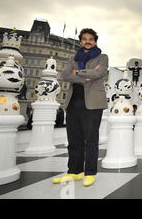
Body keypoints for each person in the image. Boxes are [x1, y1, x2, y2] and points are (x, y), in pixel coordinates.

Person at [53, 28, 108, 187]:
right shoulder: (73, 58)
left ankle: (90, 172)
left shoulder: (102, 57)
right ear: (81, 41)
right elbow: (65, 75)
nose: (88, 41)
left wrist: (78, 72)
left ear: (95, 41)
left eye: (91, 39)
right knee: (74, 140)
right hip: (73, 103)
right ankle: (74, 172)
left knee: (91, 140)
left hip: (92, 104)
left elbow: (100, 73)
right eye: (84, 39)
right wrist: (86, 76)